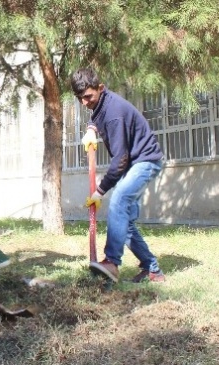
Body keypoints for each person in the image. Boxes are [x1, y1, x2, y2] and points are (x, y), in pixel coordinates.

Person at [70, 68, 165, 284]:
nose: (84, 103)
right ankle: (153, 270)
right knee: (126, 221)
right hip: (133, 163)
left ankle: (112, 262)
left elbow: (120, 160)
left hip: (145, 161)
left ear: (100, 88)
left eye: (88, 97)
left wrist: (99, 191)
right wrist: (91, 129)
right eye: (80, 98)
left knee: (120, 200)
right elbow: (97, 116)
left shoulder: (114, 113)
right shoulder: (102, 105)